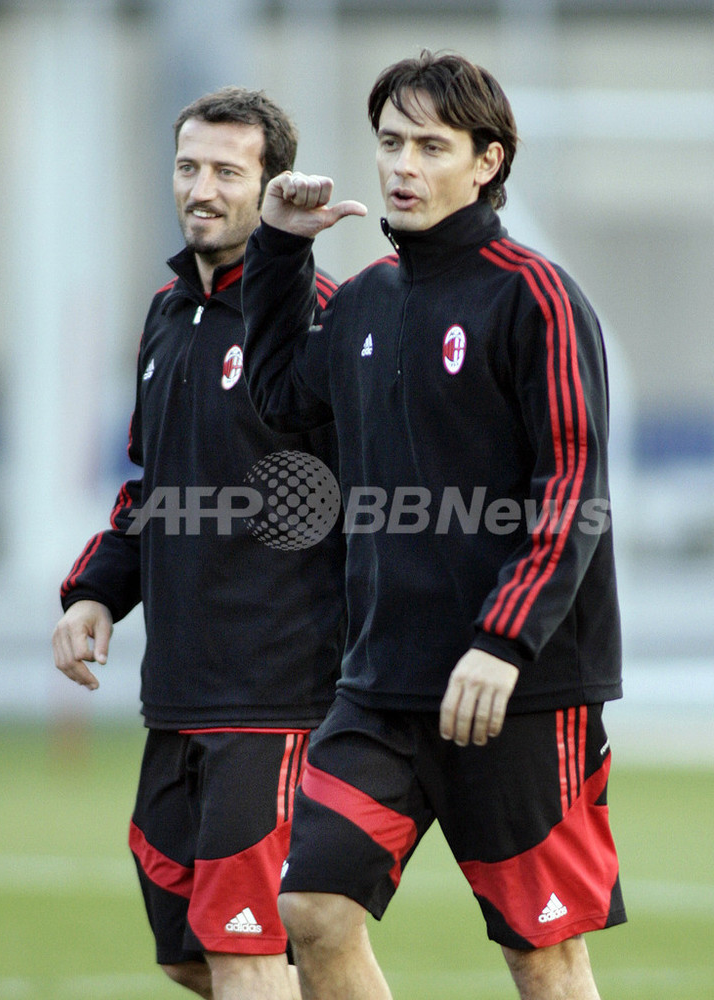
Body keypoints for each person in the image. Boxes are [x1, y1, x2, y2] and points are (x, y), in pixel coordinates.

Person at [241, 50, 626, 1000]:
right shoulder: (368, 295)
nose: (402, 165)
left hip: (519, 690)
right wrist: (281, 250)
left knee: (542, 956)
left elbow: (571, 484)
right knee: (311, 910)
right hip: (380, 685)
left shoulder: (533, 294)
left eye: (430, 145)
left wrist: (502, 642)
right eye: (389, 143)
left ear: (487, 161)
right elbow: (283, 401)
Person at [52, 87, 346, 1000]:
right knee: (189, 954)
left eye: (228, 171)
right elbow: (153, 488)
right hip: (176, 690)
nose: (203, 189)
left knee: (247, 951)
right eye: (189, 167)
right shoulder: (166, 315)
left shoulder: (319, 318)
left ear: (271, 187)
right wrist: (95, 592)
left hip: (275, 692)